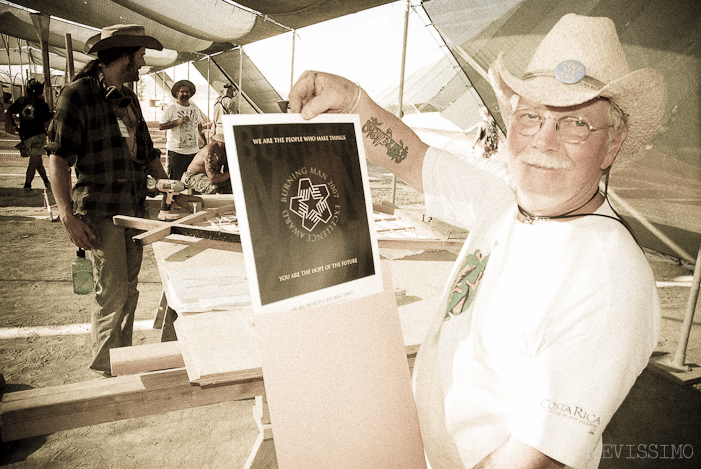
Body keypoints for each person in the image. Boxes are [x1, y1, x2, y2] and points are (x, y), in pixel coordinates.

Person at [288, 13, 666, 469]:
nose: (543, 140)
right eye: (531, 116)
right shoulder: (506, 203)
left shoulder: (608, 275)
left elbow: (535, 459)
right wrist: (353, 102)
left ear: (612, 145)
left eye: (576, 124)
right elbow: (413, 159)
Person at [47, 24, 200, 377]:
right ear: (124, 55)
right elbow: (56, 156)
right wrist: (67, 215)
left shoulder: (128, 99)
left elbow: (147, 154)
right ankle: (105, 368)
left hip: (133, 208)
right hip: (100, 210)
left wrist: (167, 185)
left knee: (128, 289)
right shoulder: (78, 95)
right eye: (140, 55)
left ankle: (122, 359)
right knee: (113, 290)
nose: (143, 62)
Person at [158, 79, 207, 220]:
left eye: (187, 91)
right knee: (173, 182)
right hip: (176, 151)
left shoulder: (195, 108)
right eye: (182, 91)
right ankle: (164, 211)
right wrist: (177, 122)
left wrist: (204, 141)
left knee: (195, 180)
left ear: (191, 93)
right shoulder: (171, 108)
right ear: (176, 93)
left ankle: (194, 209)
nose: (184, 94)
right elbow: (161, 126)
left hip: (193, 151)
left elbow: (199, 126)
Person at [5, 78, 53, 190]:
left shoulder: (21, 101)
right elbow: (46, 123)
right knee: (34, 162)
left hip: (25, 136)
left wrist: (14, 127)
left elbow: (8, 113)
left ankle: (46, 182)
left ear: (27, 90)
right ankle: (27, 185)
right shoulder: (42, 104)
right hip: (38, 136)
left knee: (37, 161)